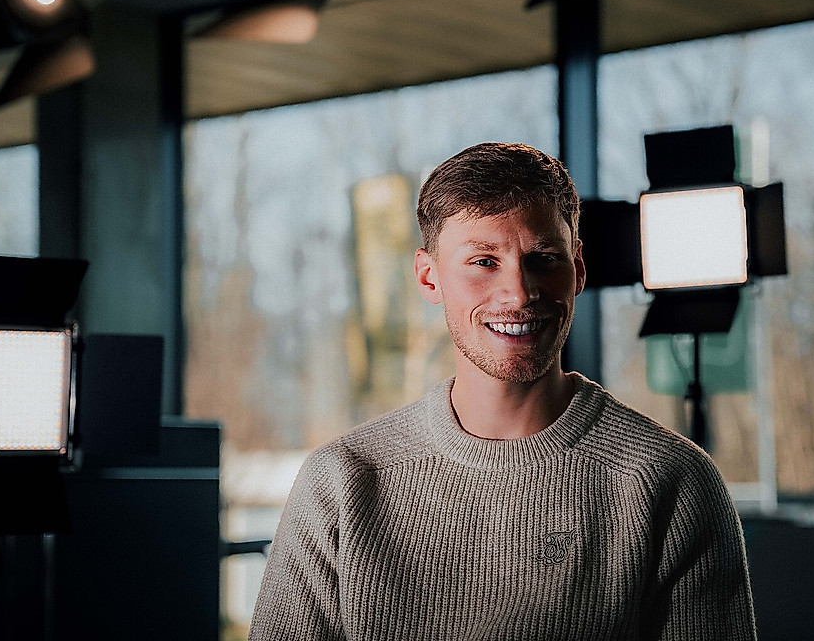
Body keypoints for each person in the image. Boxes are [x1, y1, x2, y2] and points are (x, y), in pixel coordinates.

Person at [249, 142, 757, 640]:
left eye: (543, 259)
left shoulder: (669, 481)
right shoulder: (342, 482)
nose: (518, 293)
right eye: (483, 262)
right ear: (429, 279)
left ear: (577, 270)